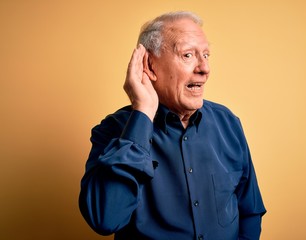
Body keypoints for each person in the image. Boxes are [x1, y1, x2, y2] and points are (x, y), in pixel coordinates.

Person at [79, 11, 266, 240]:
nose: (204, 68)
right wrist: (143, 112)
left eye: (206, 55)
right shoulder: (113, 131)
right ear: (149, 65)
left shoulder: (229, 123)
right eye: (188, 55)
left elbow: (250, 210)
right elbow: (105, 219)